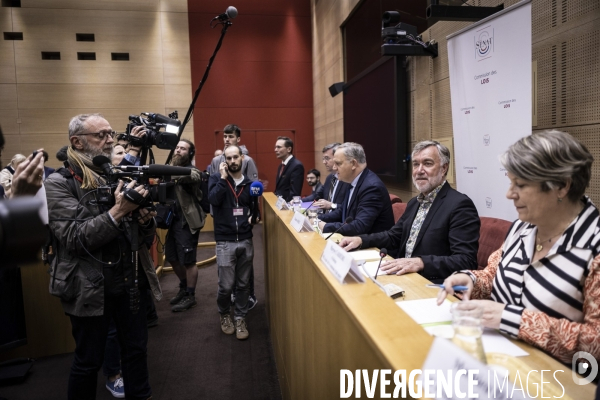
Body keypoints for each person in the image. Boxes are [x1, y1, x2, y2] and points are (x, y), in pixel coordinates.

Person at [437, 130, 600, 366]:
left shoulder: (593, 247)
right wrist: (470, 278)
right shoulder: (522, 227)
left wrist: (510, 319)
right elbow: (494, 273)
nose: (509, 194)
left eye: (520, 185)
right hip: (497, 361)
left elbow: (595, 343)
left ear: (562, 186)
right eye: (510, 182)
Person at [45, 113, 160, 400]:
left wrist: (144, 221)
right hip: (88, 287)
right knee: (88, 362)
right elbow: (74, 238)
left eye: (111, 133)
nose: (110, 140)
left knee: (136, 353)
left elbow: (141, 238)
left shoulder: (114, 173)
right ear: (77, 142)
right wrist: (120, 211)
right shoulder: (57, 184)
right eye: (102, 135)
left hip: (128, 280)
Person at [339, 140, 479, 283]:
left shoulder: (459, 205)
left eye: (428, 163)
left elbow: (465, 261)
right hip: (402, 276)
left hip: (430, 283)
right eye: (416, 164)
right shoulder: (414, 202)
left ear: (444, 168)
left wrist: (420, 262)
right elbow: (393, 236)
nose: (419, 170)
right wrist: (361, 240)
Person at [208, 145, 260, 340]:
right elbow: (213, 200)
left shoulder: (250, 184)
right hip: (224, 241)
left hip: (246, 239)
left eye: (235, 157)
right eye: (228, 158)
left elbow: (255, 209)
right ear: (224, 161)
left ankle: (240, 317)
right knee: (226, 286)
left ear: (242, 159)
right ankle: (224, 314)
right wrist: (222, 179)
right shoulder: (216, 179)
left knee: (243, 284)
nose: (232, 161)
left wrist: (254, 218)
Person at [318, 142, 394, 236]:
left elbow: (360, 226)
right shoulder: (352, 180)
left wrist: (325, 226)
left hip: (373, 248)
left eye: (338, 163)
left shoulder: (371, 187)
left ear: (353, 164)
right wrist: (318, 218)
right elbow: (342, 211)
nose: (334, 167)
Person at [165, 139, 206, 312]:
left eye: (183, 148)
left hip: (187, 222)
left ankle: (191, 295)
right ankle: (183, 287)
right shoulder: (169, 169)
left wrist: (168, 174)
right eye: (177, 148)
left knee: (188, 260)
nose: (178, 151)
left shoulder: (191, 170)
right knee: (172, 257)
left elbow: (195, 176)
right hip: (172, 221)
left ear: (190, 153)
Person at [312, 143, 350, 212]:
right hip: (326, 218)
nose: (324, 162)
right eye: (323, 159)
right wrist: (299, 200)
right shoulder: (330, 177)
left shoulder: (347, 179)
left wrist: (332, 205)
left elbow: (348, 207)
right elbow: (317, 195)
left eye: (327, 158)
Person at [274, 136, 304, 202]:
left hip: (287, 207)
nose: (275, 150)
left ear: (289, 149)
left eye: (279, 147)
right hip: (279, 204)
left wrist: (285, 206)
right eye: (275, 147)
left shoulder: (297, 166)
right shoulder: (281, 166)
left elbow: (295, 192)